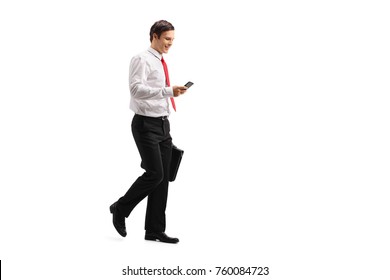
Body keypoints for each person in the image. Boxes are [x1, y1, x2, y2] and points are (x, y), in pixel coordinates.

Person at [110, 20, 187, 243]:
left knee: (163, 179)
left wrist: (172, 93)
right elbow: (135, 89)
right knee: (154, 174)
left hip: (163, 124)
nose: (170, 44)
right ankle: (120, 208)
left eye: (172, 40)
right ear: (154, 35)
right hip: (145, 125)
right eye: (166, 39)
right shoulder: (141, 59)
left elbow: (157, 92)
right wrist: (167, 91)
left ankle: (154, 230)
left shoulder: (161, 60)